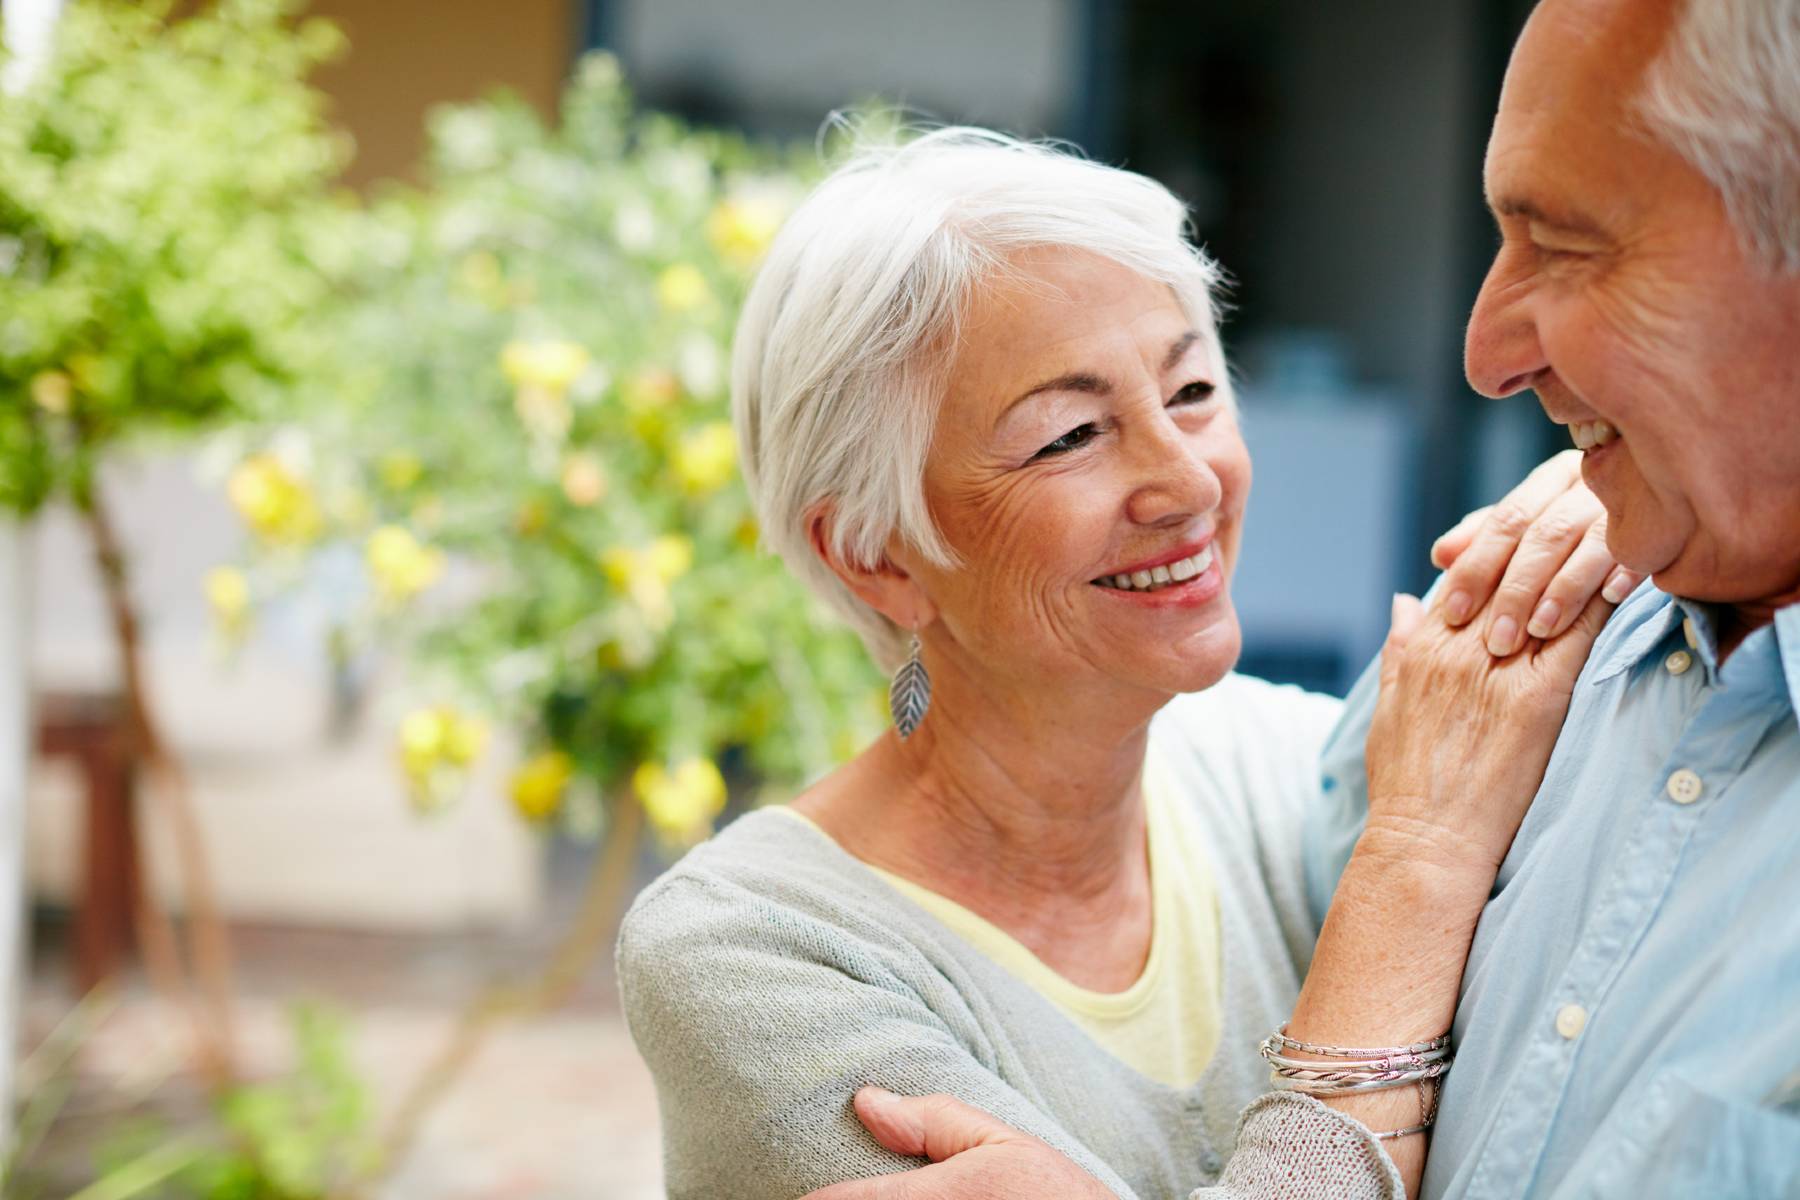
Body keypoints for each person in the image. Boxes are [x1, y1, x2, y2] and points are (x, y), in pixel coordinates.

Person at [806, 0, 1800, 1196]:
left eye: (1569, 246)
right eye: (1071, 432)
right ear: (875, 554)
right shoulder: (1496, 651)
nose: (1485, 353)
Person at [616, 125, 1635, 1200]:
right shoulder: (747, 954)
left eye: (1192, 392)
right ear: (874, 555)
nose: (1189, 482)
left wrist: (1622, 491)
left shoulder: (1294, 765)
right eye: (1071, 436)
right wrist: (1417, 860)